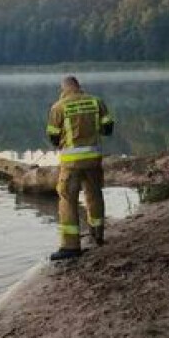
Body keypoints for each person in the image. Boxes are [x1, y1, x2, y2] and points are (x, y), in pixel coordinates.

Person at [45, 76, 114, 261]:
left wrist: (62, 140)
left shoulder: (58, 107)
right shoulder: (96, 101)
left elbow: (52, 136)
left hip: (71, 163)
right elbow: (108, 128)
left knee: (67, 199)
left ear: (63, 89)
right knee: (94, 194)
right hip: (93, 159)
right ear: (79, 86)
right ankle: (97, 234)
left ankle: (70, 246)